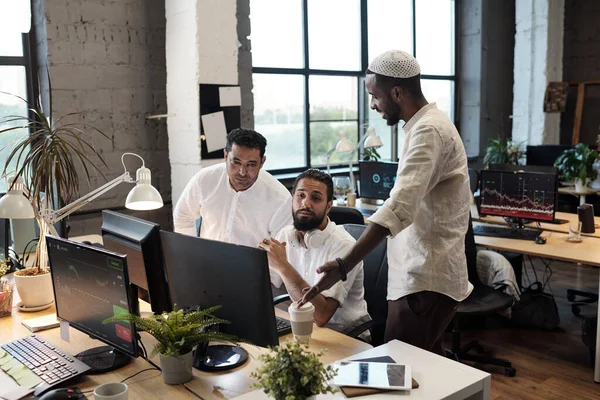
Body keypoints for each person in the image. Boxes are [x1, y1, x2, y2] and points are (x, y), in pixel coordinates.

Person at [299, 50, 473, 355]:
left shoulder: (428, 131)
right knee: (427, 377)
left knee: (398, 373)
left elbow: (399, 207)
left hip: (424, 280)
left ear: (396, 92)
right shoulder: (424, 126)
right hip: (423, 278)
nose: (372, 104)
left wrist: (343, 265)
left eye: (374, 95)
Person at [259, 169, 370, 335]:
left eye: (316, 198)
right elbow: (267, 287)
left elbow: (321, 315)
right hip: (305, 328)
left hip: (344, 335)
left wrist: (283, 266)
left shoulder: (344, 246)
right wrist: (255, 267)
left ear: (328, 206)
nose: (306, 203)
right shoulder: (286, 235)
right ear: (292, 200)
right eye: (301, 196)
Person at [173, 128, 292, 248]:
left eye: (251, 164)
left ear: (262, 162)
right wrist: (192, 252)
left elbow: (283, 248)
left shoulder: (281, 199)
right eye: (236, 162)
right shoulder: (204, 180)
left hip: (252, 265)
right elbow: (183, 217)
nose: (242, 172)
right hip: (207, 261)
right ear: (225, 155)